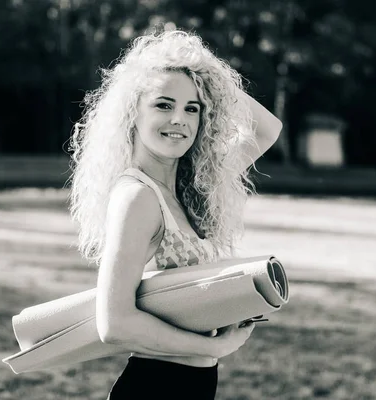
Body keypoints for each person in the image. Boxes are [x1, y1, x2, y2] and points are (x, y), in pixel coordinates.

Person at [69, 28, 282, 400]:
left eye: (192, 108)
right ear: (132, 112)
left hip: (192, 388)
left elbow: (268, 129)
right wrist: (213, 348)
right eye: (163, 104)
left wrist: (206, 75)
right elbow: (114, 323)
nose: (179, 119)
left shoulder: (190, 189)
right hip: (155, 388)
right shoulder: (136, 197)